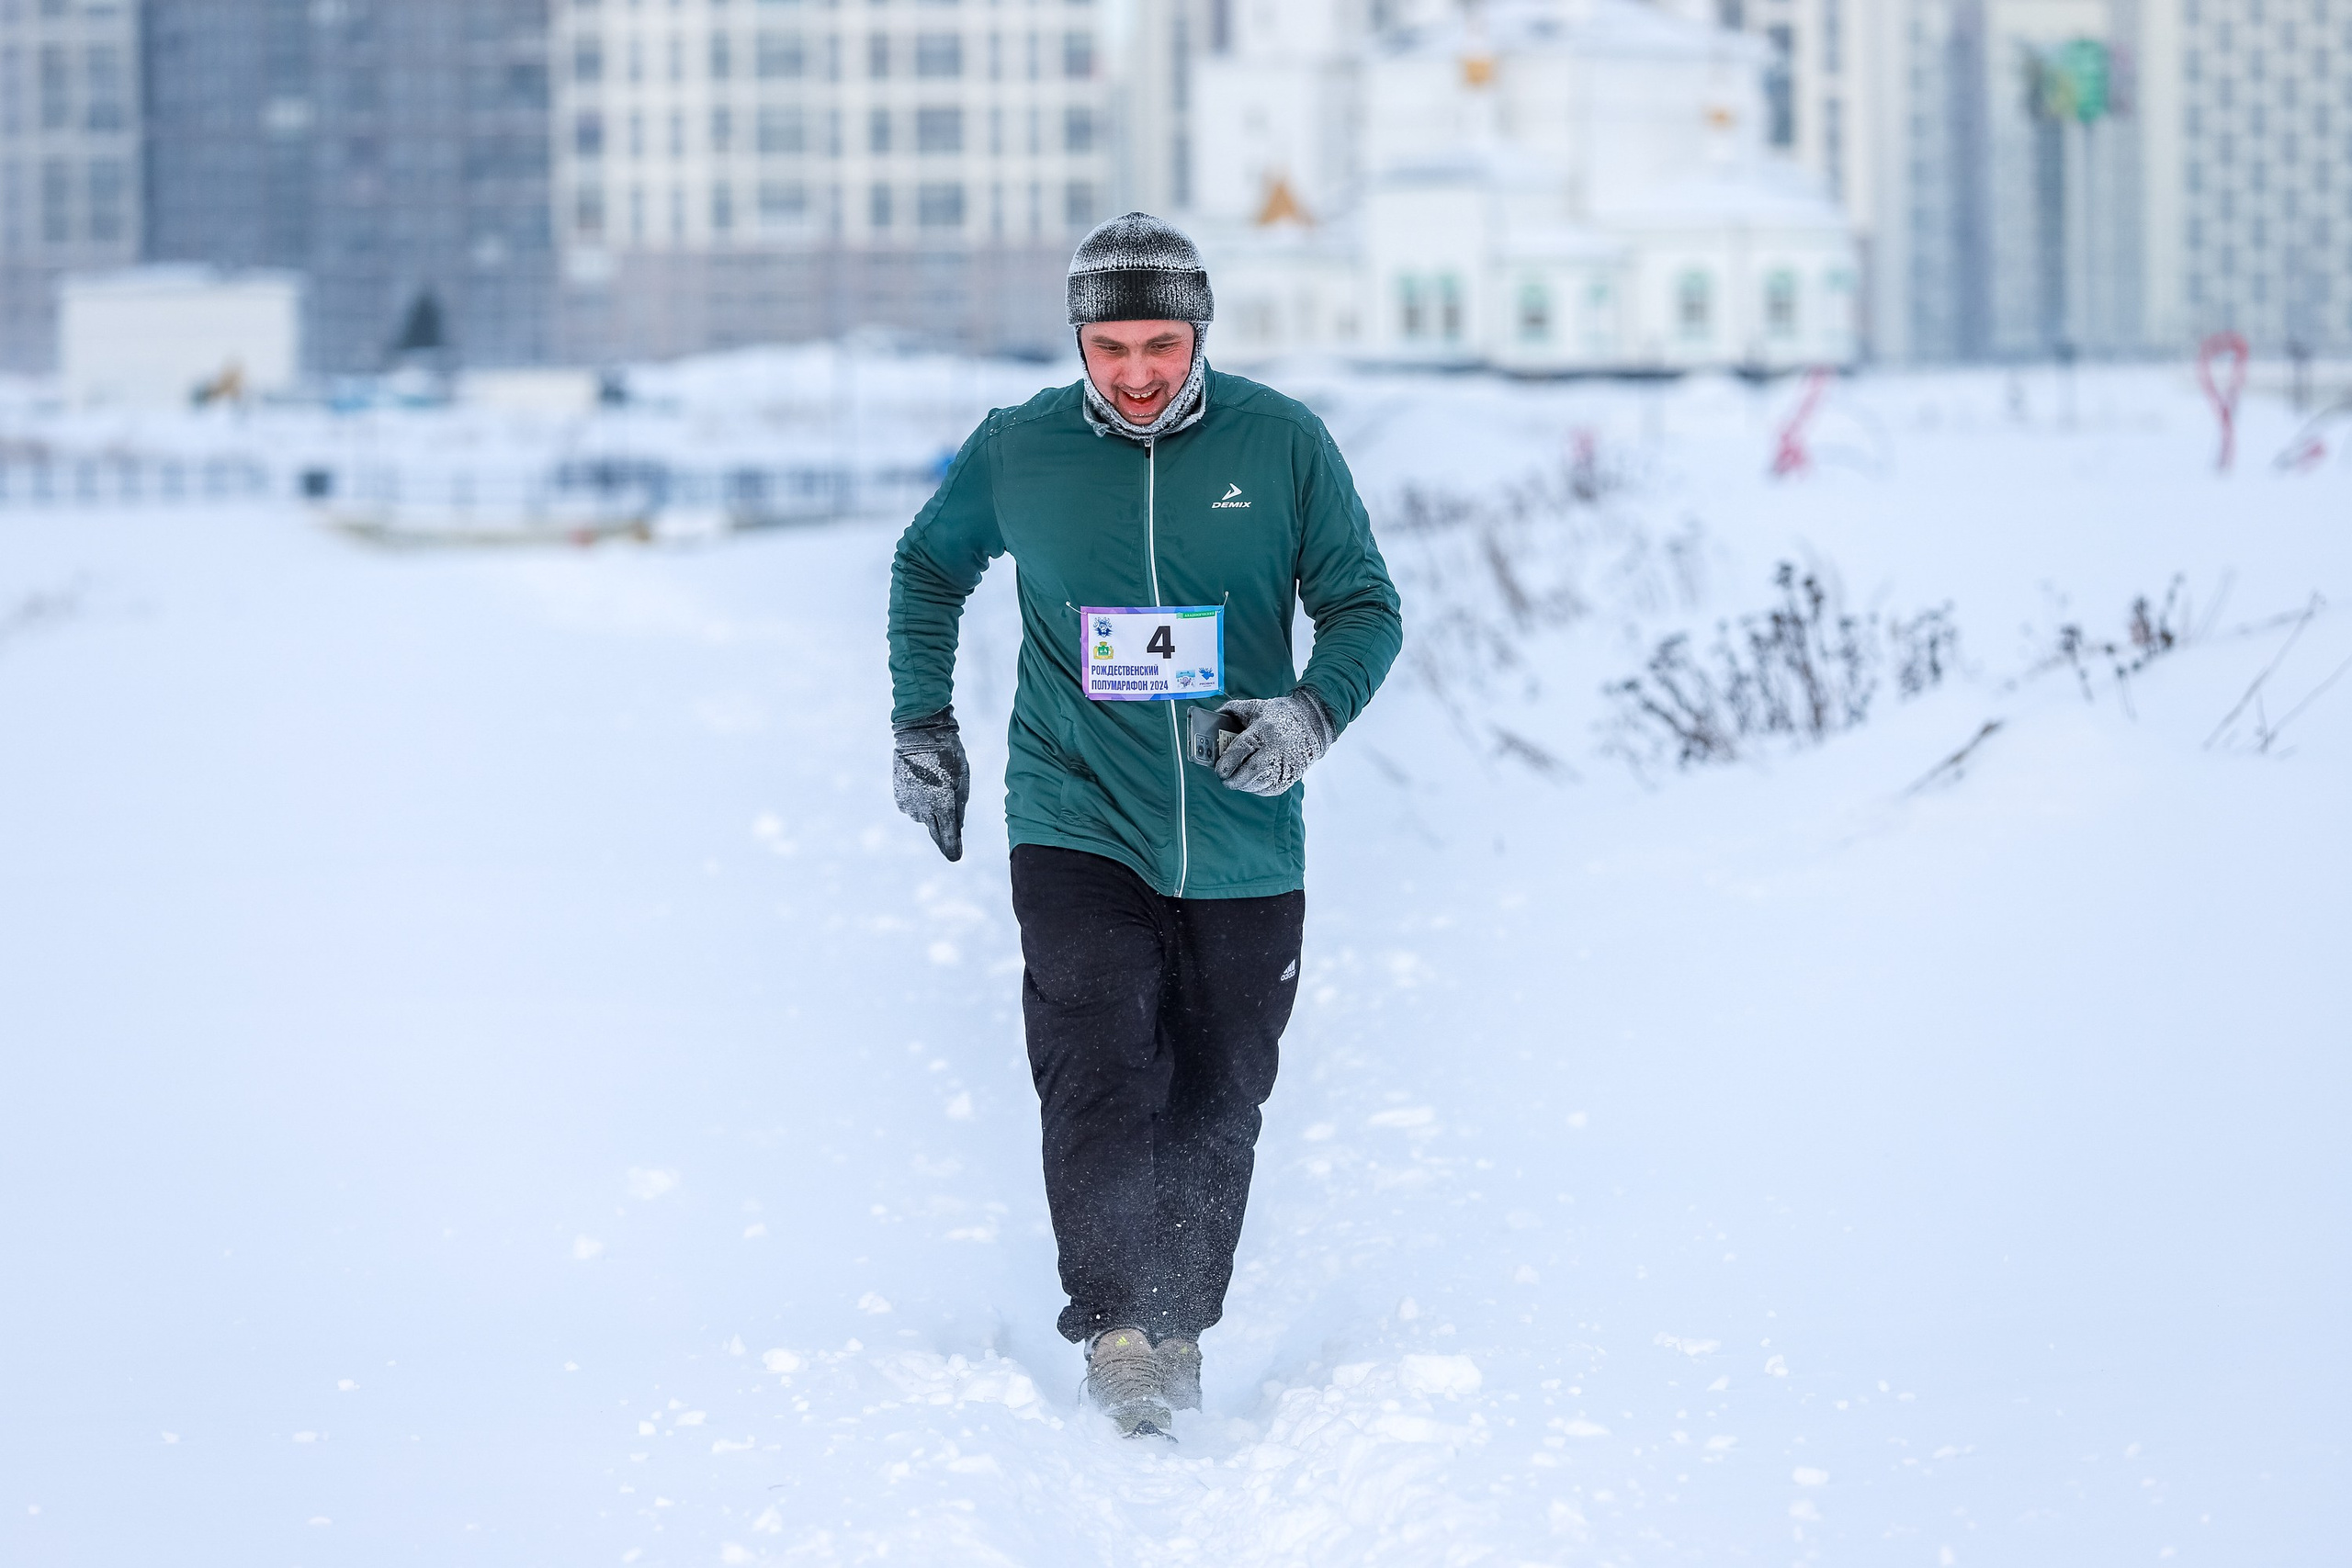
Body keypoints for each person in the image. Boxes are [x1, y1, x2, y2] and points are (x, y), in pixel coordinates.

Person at [886, 213, 1402, 1438]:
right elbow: (928, 567)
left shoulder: (1281, 443)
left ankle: (1181, 1323)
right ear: (1078, 340)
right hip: (1074, 807)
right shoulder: (1020, 449)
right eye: (1109, 347)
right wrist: (924, 726)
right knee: (1097, 1052)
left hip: (1242, 826)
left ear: (1199, 333)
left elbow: (1363, 605)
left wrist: (1311, 714)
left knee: (1221, 1090)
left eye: (1160, 345)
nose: (1135, 373)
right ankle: (1122, 1333)